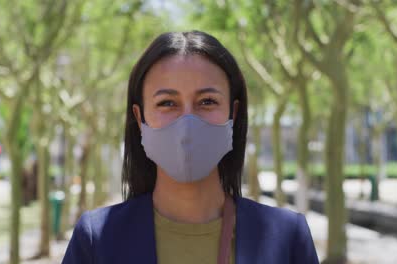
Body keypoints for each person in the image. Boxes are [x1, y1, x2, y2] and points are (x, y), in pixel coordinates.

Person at [62, 30, 319, 264]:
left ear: (233, 112)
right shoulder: (96, 239)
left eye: (207, 101)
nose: (187, 123)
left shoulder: (287, 238)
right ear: (140, 119)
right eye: (167, 103)